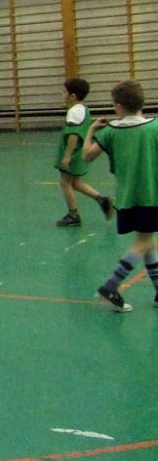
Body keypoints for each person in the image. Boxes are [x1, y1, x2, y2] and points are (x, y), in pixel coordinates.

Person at [83, 80, 158, 313]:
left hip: (127, 198)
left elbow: (87, 156)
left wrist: (91, 130)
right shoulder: (155, 127)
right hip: (151, 196)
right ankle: (110, 287)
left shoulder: (110, 132)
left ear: (118, 106)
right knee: (145, 242)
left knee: (148, 241)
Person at [53, 77, 114, 227]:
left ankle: (73, 215)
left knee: (65, 182)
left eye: (64, 92)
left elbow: (73, 135)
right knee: (75, 182)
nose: (62, 95)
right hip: (80, 152)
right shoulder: (83, 109)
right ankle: (103, 200)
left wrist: (67, 156)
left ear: (73, 96)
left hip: (73, 153)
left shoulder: (73, 112)